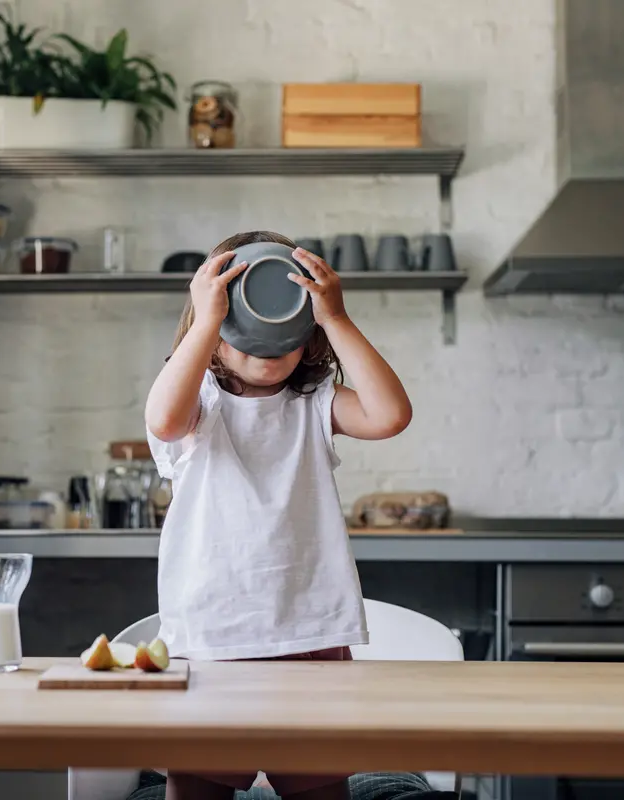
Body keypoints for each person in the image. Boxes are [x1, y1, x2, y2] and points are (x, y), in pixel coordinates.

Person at [144, 231, 413, 800]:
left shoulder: (314, 406)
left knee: (319, 789)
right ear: (213, 340)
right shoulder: (198, 409)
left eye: (285, 338)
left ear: (308, 340)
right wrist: (205, 319)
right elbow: (165, 420)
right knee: (197, 791)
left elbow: (390, 415)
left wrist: (336, 316)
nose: (268, 350)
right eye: (244, 336)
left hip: (309, 631)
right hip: (213, 636)